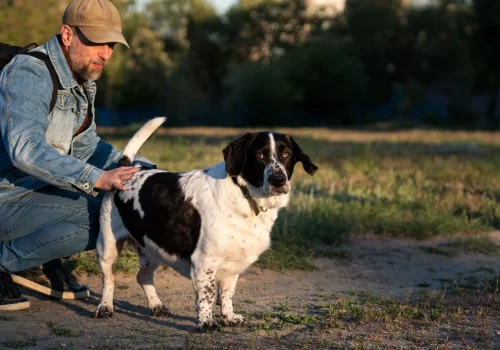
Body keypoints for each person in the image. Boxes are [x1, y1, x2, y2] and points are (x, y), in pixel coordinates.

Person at [0, 0, 156, 311]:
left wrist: (146, 173)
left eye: (111, 44)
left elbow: (87, 147)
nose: (106, 53)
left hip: (30, 195)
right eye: (97, 42)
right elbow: (24, 148)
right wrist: (98, 178)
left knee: (122, 210)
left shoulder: (81, 81)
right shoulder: (29, 71)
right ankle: (8, 263)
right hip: (6, 195)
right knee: (104, 216)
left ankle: (27, 260)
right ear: (67, 34)